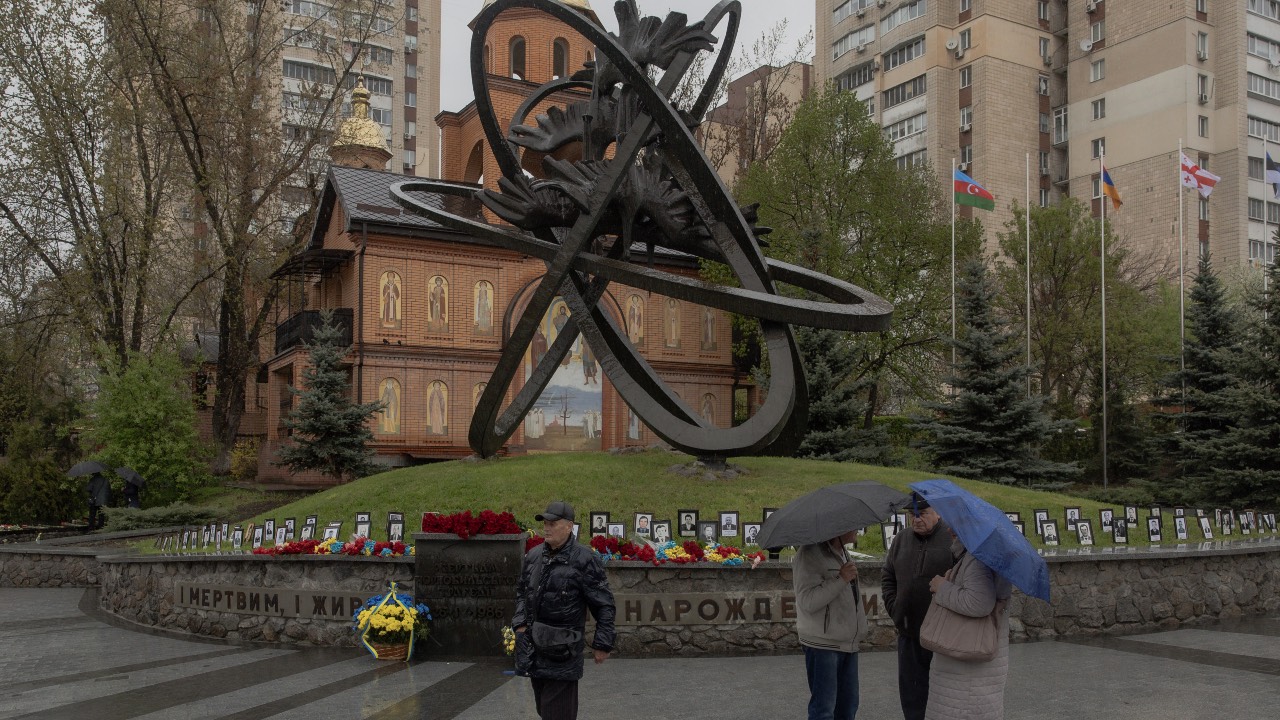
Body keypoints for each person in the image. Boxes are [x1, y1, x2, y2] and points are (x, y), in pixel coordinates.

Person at [513, 501, 616, 720]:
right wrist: (520, 625)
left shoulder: (585, 559)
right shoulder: (533, 555)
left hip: (563, 651)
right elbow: (522, 592)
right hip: (534, 649)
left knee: (557, 714)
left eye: (553, 523)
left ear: (569, 526)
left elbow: (604, 604)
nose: (546, 528)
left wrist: (603, 642)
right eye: (545, 523)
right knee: (544, 710)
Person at [925, 528, 1013, 720]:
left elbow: (979, 603)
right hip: (978, 663)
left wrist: (942, 587)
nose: (949, 530)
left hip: (965, 669)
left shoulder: (976, 559)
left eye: (958, 524)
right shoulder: (989, 556)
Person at [882, 494, 954, 720]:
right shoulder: (901, 539)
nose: (916, 519)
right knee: (912, 694)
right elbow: (888, 576)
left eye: (922, 514)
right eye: (912, 515)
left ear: (938, 513)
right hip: (909, 630)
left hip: (943, 632)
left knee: (944, 692)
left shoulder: (952, 540)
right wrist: (895, 607)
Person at [794, 528, 868, 720]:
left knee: (848, 707)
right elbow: (808, 601)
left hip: (848, 641)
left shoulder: (843, 552)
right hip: (823, 644)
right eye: (853, 526)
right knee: (824, 709)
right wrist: (841, 578)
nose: (858, 530)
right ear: (839, 528)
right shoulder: (808, 553)